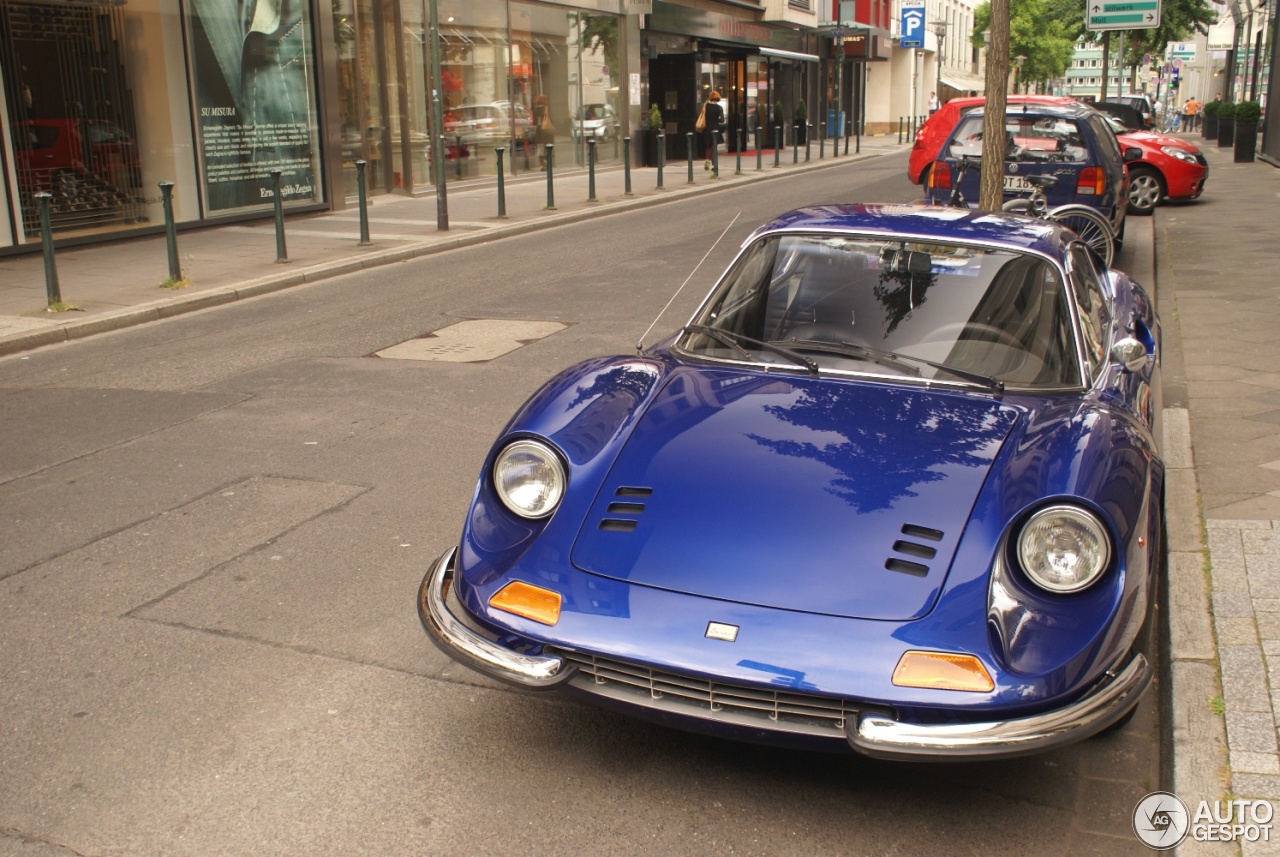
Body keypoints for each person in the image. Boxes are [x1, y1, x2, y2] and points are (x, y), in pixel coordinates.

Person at [699, 90, 724, 176]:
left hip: (707, 129)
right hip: (715, 129)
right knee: (714, 147)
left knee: (708, 146)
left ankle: (707, 161)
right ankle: (714, 165)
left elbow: (702, 116)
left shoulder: (706, 106)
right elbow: (722, 120)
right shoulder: (719, 108)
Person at [532, 94, 555, 170]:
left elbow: (534, 121)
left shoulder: (536, 110)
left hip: (539, 130)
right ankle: (548, 163)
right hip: (547, 131)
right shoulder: (546, 109)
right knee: (547, 147)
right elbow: (550, 119)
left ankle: (543, 164)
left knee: (540, 148)